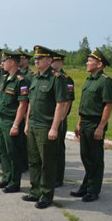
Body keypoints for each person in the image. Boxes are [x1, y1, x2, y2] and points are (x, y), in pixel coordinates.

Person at [22, 45, 67, 209]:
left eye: (40, 58)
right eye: (35, 58)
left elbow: (60, 105)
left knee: (47, 163)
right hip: (33, 124)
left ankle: (46, 195)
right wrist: (27, 123)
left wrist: (55, 127)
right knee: (33, 161)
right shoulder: (35, 78)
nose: (36, 60)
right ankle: (35, 191)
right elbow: (30, 103)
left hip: (46, 126)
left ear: (49, 60)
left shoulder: (57, 78)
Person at [70, 48, 112, 203]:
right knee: (85, 157)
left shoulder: (106, 81)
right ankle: (86, 186)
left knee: (95, 158)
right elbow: (84, 104)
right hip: (85, 122)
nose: (87, 63)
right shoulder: (89, 80)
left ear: (99, 64)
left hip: (96, 123)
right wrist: (79, 123)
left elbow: (108, 105)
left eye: (90, 61)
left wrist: (101, 127)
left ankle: (93, 190)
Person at [0, 51, 30, 193]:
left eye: (5, 60)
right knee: (3, 151)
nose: (3, 63)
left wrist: (16, 125)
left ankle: (15, 182)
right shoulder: (4, 78)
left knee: (13, 152)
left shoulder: (21, 81)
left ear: (12, 62)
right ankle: (6, 177)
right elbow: (0, 100)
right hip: (2, 119)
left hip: (11, 121)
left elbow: (23, 104)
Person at [51, 52, 75, 188]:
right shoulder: (51, 77)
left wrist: (60, 119)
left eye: (54, 61)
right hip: (49, 117)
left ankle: (58, 178)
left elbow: (67, 102)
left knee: (58, 149)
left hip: (59, 119)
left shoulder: (66, 79)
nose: (52, 64)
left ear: (60, 63)